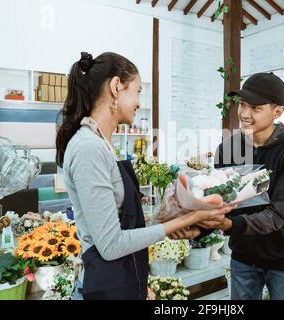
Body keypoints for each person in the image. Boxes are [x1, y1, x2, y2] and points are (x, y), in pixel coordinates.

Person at [56, 52, 232, 300]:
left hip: (125, 279)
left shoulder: (102, 143)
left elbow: (121, 224)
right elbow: (111, 245)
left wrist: (169, 221)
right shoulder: (88, 148)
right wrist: (186, 219)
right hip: (109, 286)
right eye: (137, 91)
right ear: (117, 87)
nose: (139, 102)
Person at [197, 73, 284, 300]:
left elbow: (276, 215)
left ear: (277, 112)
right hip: (243, 256)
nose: (244, 114)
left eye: (255, 108)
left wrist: (228, 224)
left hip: (283, 258)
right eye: (242, 104)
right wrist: (197, 229)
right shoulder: (227, 149)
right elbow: (222, 202)